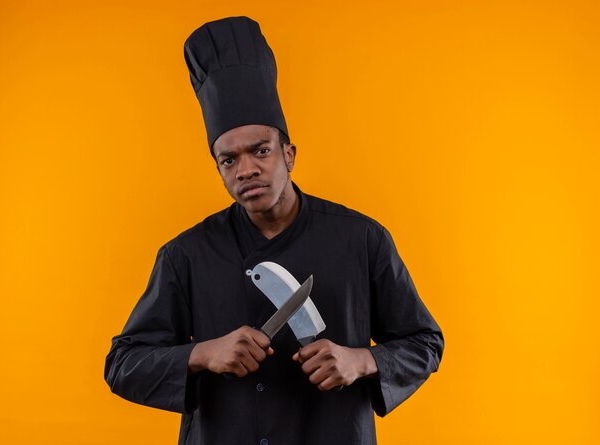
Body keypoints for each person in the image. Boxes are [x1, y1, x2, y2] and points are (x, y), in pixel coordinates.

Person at [105, 16, 444, 445]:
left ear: (289, 153)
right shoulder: (185, 255)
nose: (246, 169)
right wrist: (201, 354)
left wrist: (362, 361)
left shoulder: (362, 239)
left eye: (261, 151)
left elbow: (425, 343)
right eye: (229, 160)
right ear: (218, 168)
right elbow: (122, 364)